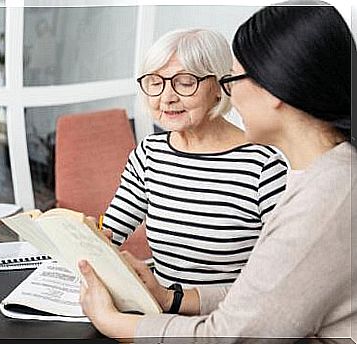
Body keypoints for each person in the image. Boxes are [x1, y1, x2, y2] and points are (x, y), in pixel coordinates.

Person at [79, 1, 356, 339]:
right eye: (155, 82)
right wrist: (171, 298)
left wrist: (110, 321)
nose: (231, 93)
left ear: (276, 87)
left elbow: (229, 334)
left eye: (234, 79)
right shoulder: (321, 176)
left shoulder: (325, 192)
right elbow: (262, 297)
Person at [101, 28, 288, 299]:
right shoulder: (150, 153)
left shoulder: (262, 167)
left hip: (229, 321)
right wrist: (80, 239)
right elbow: (112, 229)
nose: (167, 97)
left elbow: (283, 278)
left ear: (221, 86)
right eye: (155, 82)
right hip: (162, 312)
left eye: (185, 82)